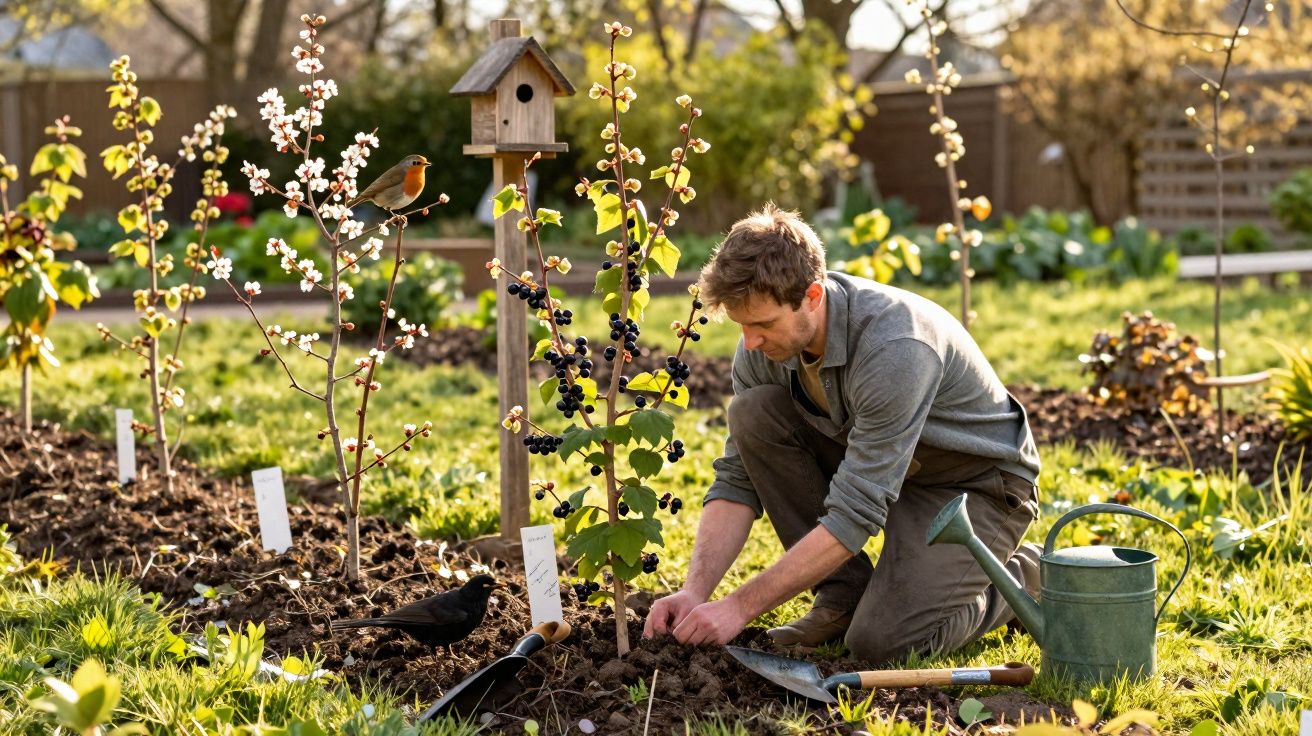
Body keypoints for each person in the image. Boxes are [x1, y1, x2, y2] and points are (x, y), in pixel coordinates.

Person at [642, 204, 1043, 663]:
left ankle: (1021, 577)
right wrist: (695, 591)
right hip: (893, 470)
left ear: (813, 295)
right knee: (753, 413)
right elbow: (738, 477)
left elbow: (855, 513)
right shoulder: (763, 346)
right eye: (742, 325)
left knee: (883, 643)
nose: (749, 341)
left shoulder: (894, 348)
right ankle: (842, 597)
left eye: (764, 324)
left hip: (974, 487)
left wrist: (739, 608)